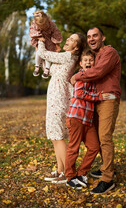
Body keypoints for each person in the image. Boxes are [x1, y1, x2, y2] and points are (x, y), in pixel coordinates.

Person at [71, 27, 121, 194]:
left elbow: (98, 72)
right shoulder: (95, 57)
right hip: (96, 100)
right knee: (99, 138)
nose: (91, 39)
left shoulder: (109, 52)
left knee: (105, 137)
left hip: (108, 98)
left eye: (95, 35)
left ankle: (108, 179)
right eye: (89, 36)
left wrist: (77, 76)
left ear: (103, 37)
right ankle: (107, 167)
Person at [52, 49, 110, 188]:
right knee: (74, 148)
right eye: (86, 60)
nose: (88, 62)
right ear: (81, 63)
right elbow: (79, 94)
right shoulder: (81, 76)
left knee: (94, 147)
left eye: (91, 60)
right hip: (76, 118)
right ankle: (70, 177)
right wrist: (99, 97)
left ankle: (81, 173)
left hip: (88, 121)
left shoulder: (92, 77)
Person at [36, 32, 87, 183]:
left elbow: (43, 53)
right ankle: (60, 169)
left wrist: (40, 41)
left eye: (71, 40)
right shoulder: (64, 56)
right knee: (54, 135)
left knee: (58, 136)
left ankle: (68, 172)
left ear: (76, 47)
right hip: (54, 96)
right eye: (69, 38)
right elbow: (50, 70)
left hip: (59, 96)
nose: (67, 40)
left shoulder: (68, 56)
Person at [29, 10, 62, 79]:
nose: (43, 27)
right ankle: (37, 66)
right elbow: (32, 31)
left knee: (48, 53)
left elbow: (56, 33)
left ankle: (47, 68)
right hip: (39, 39)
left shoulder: (51, 24)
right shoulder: (34, 23)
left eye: (44, 25)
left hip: (49, 40)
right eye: (41, 26)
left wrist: (57, 45)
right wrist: (39, 37)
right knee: (38, 52)